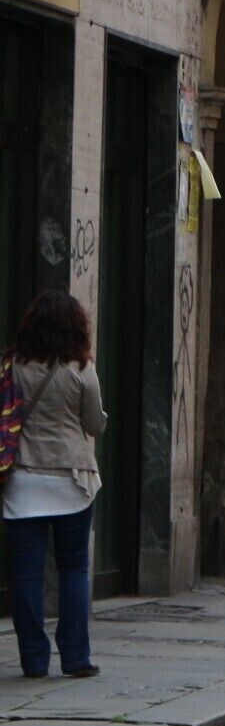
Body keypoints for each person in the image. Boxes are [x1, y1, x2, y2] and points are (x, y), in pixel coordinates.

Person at [5, 290, 107, 678]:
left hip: (23, 481)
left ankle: (33, 659)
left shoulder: (13, 366)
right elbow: (93, 424)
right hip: (72, 481)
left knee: (26, 573)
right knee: (74, 568)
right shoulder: (82, 369)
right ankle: (76, 658)